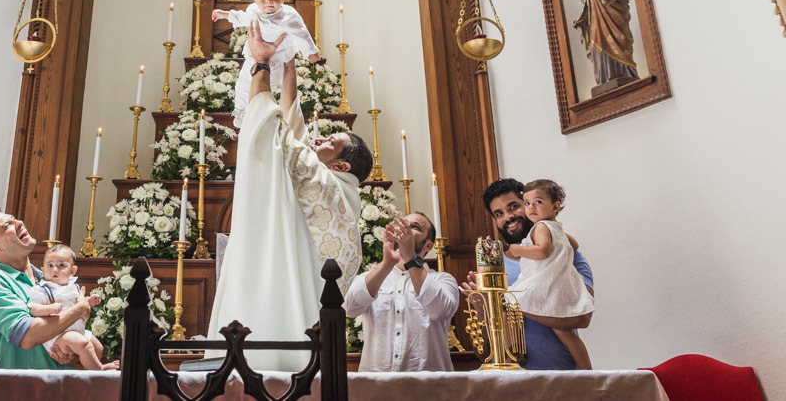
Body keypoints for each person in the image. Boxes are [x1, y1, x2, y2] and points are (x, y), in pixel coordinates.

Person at [207, 20, 372, 371]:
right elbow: (289, 122)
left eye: (330, 142)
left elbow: (269, 133)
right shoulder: (335, 193)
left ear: (342, 166)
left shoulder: (323, 183)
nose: (319, 140)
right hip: (300, 298)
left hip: (278, 285)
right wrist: (290, 62)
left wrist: (263, 64)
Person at [473, 178, 594, 370]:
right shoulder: (493, 268)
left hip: (565, 378)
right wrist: (483, 312)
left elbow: (582, 318)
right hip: (513, 383)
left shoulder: (566, 255)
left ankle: (589, 375)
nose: (508, 217)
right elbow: (484, 354)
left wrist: (513, 305)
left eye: (513, 206)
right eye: (499, 213)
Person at [0, 208, 94, 369]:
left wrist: (73, 354)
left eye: (15, 218)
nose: (19, 223)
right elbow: (27, 336)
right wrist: (80, 309)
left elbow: (72, 337)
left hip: (64, 387)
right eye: (8, 224)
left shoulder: (49, 278)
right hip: (21, 389)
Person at [344, 213, 460, 372]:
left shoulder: (443, 280)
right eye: (402, 225)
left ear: (428, 246)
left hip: (429, 389)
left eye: (414, 227)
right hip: (377, 388)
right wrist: (386, 264)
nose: (405, 229)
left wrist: (411, 257)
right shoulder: (369, 278)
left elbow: (440, 310)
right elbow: (349, 308)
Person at [212, 0, 320, 127]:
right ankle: (241, 110)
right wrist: (224, 14)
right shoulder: (253, 10)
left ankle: (260, 113)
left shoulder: (289, 16)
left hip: (276, 60)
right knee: (243, 83)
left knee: (267, 87)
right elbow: (242, 17)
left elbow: (302, 34)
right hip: (252, 57)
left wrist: (312, 54)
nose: (268, 0)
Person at [28, 244, 117, 371]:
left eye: (61, 266)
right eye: (50, 265)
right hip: (57, 334)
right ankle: (99, 369)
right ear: (42, 270)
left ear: (72, 271)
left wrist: (88, 302)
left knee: (98, 347)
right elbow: (33, 308)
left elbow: (78, 305)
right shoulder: (42, 289)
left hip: (75, 330)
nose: (54, 270)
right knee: (84, 345)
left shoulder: (73, 287)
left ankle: (88, 374)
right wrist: (49, 309)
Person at [572, 0, 638, 90]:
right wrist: (581, 20)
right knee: (597, 48)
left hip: (616, 21)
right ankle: (604, 80)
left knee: (619, 45)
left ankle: (626, 74)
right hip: (596, 24)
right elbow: (588, 8)